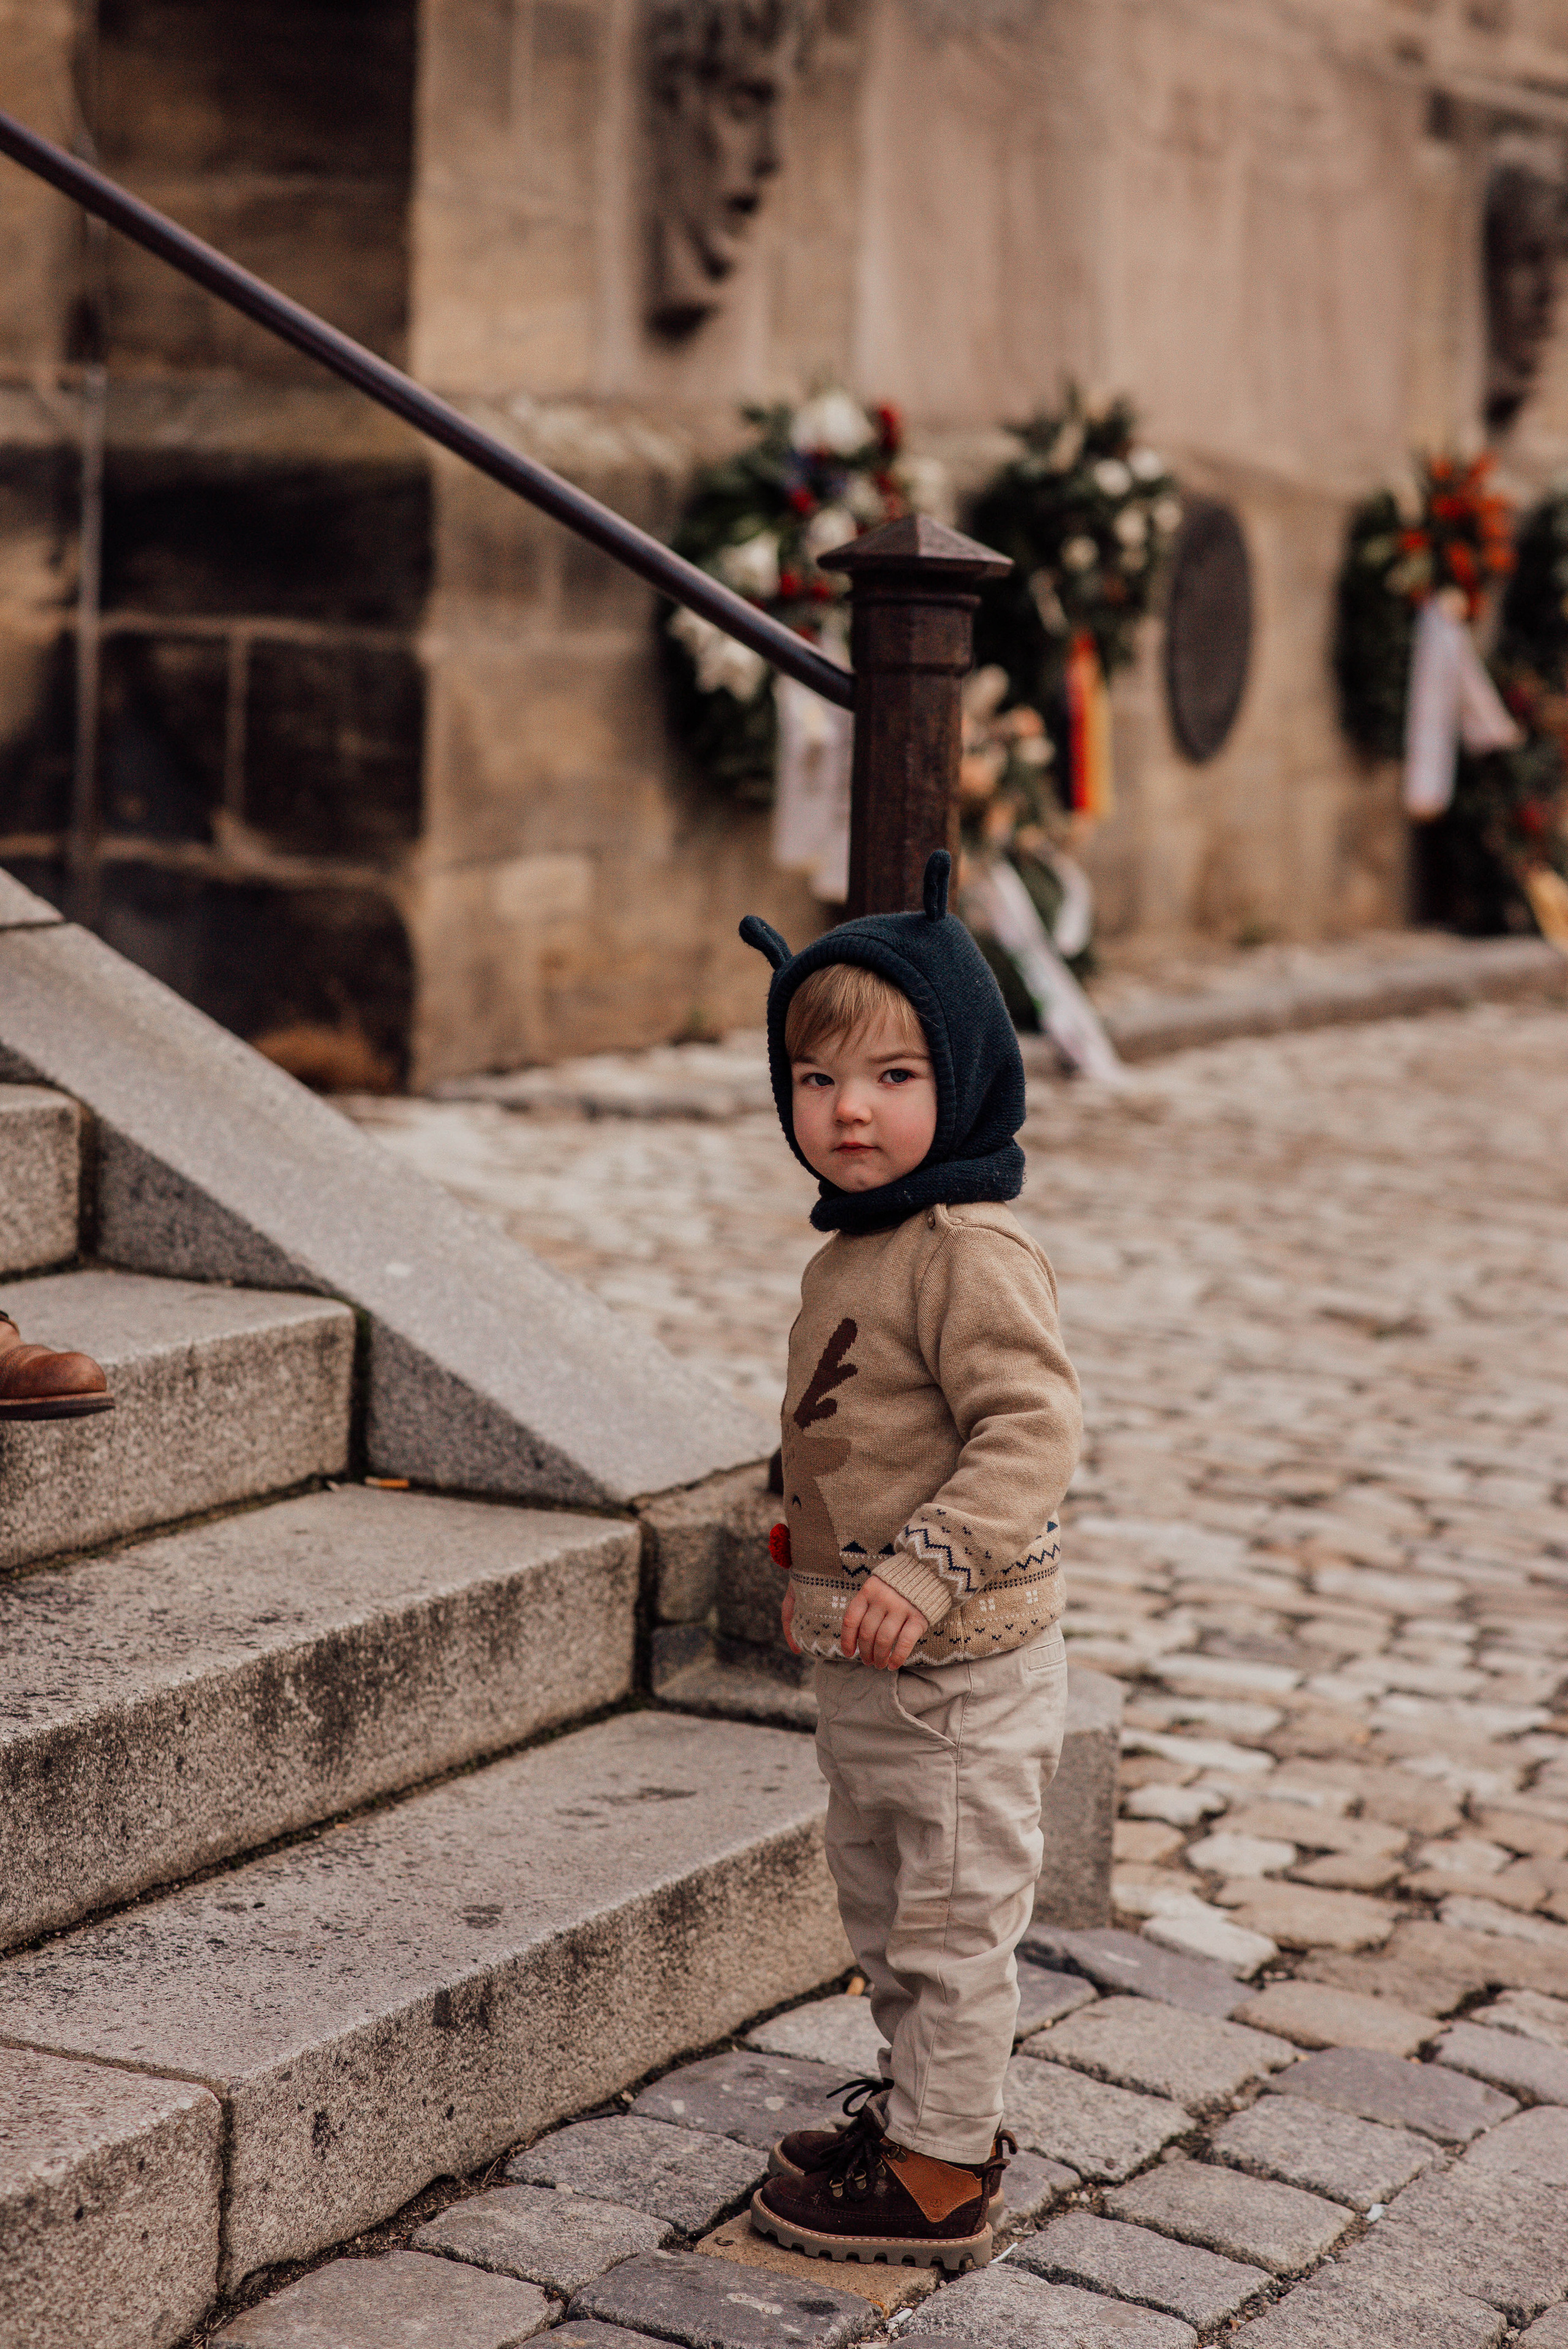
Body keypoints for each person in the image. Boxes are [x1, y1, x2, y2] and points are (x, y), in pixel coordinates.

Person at [738, 849, 1081, 2273]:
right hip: (873, 1667)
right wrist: (799, 1542)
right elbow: (851, 1433)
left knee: (947, 1922)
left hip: (957, 1674)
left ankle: (942, 2173)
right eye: (815, 1079)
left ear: (966, 1074)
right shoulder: (856, 1250)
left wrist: (924, 1567)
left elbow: (1029, 1428)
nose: (847, 1109)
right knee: (885, 1909)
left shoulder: (963, 1248)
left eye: (891, 1076)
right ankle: (918, 2114)